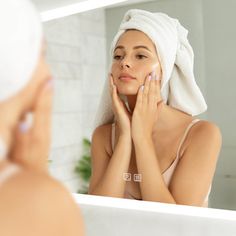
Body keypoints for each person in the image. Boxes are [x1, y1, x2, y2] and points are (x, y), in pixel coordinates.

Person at [88, 9, 222, 207]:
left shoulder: (201, 134)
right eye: (118, 56)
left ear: (165, 67)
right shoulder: (104, 137)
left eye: (140, 55)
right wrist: (125, 137)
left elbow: (177, 224)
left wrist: (141, 138)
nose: (124, 62)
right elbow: (99, 213)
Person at [0, 1, 85, 235]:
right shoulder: (41, 204)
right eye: (43, 54)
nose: (49, 70)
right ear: (18, 66)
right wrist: (36, 186)